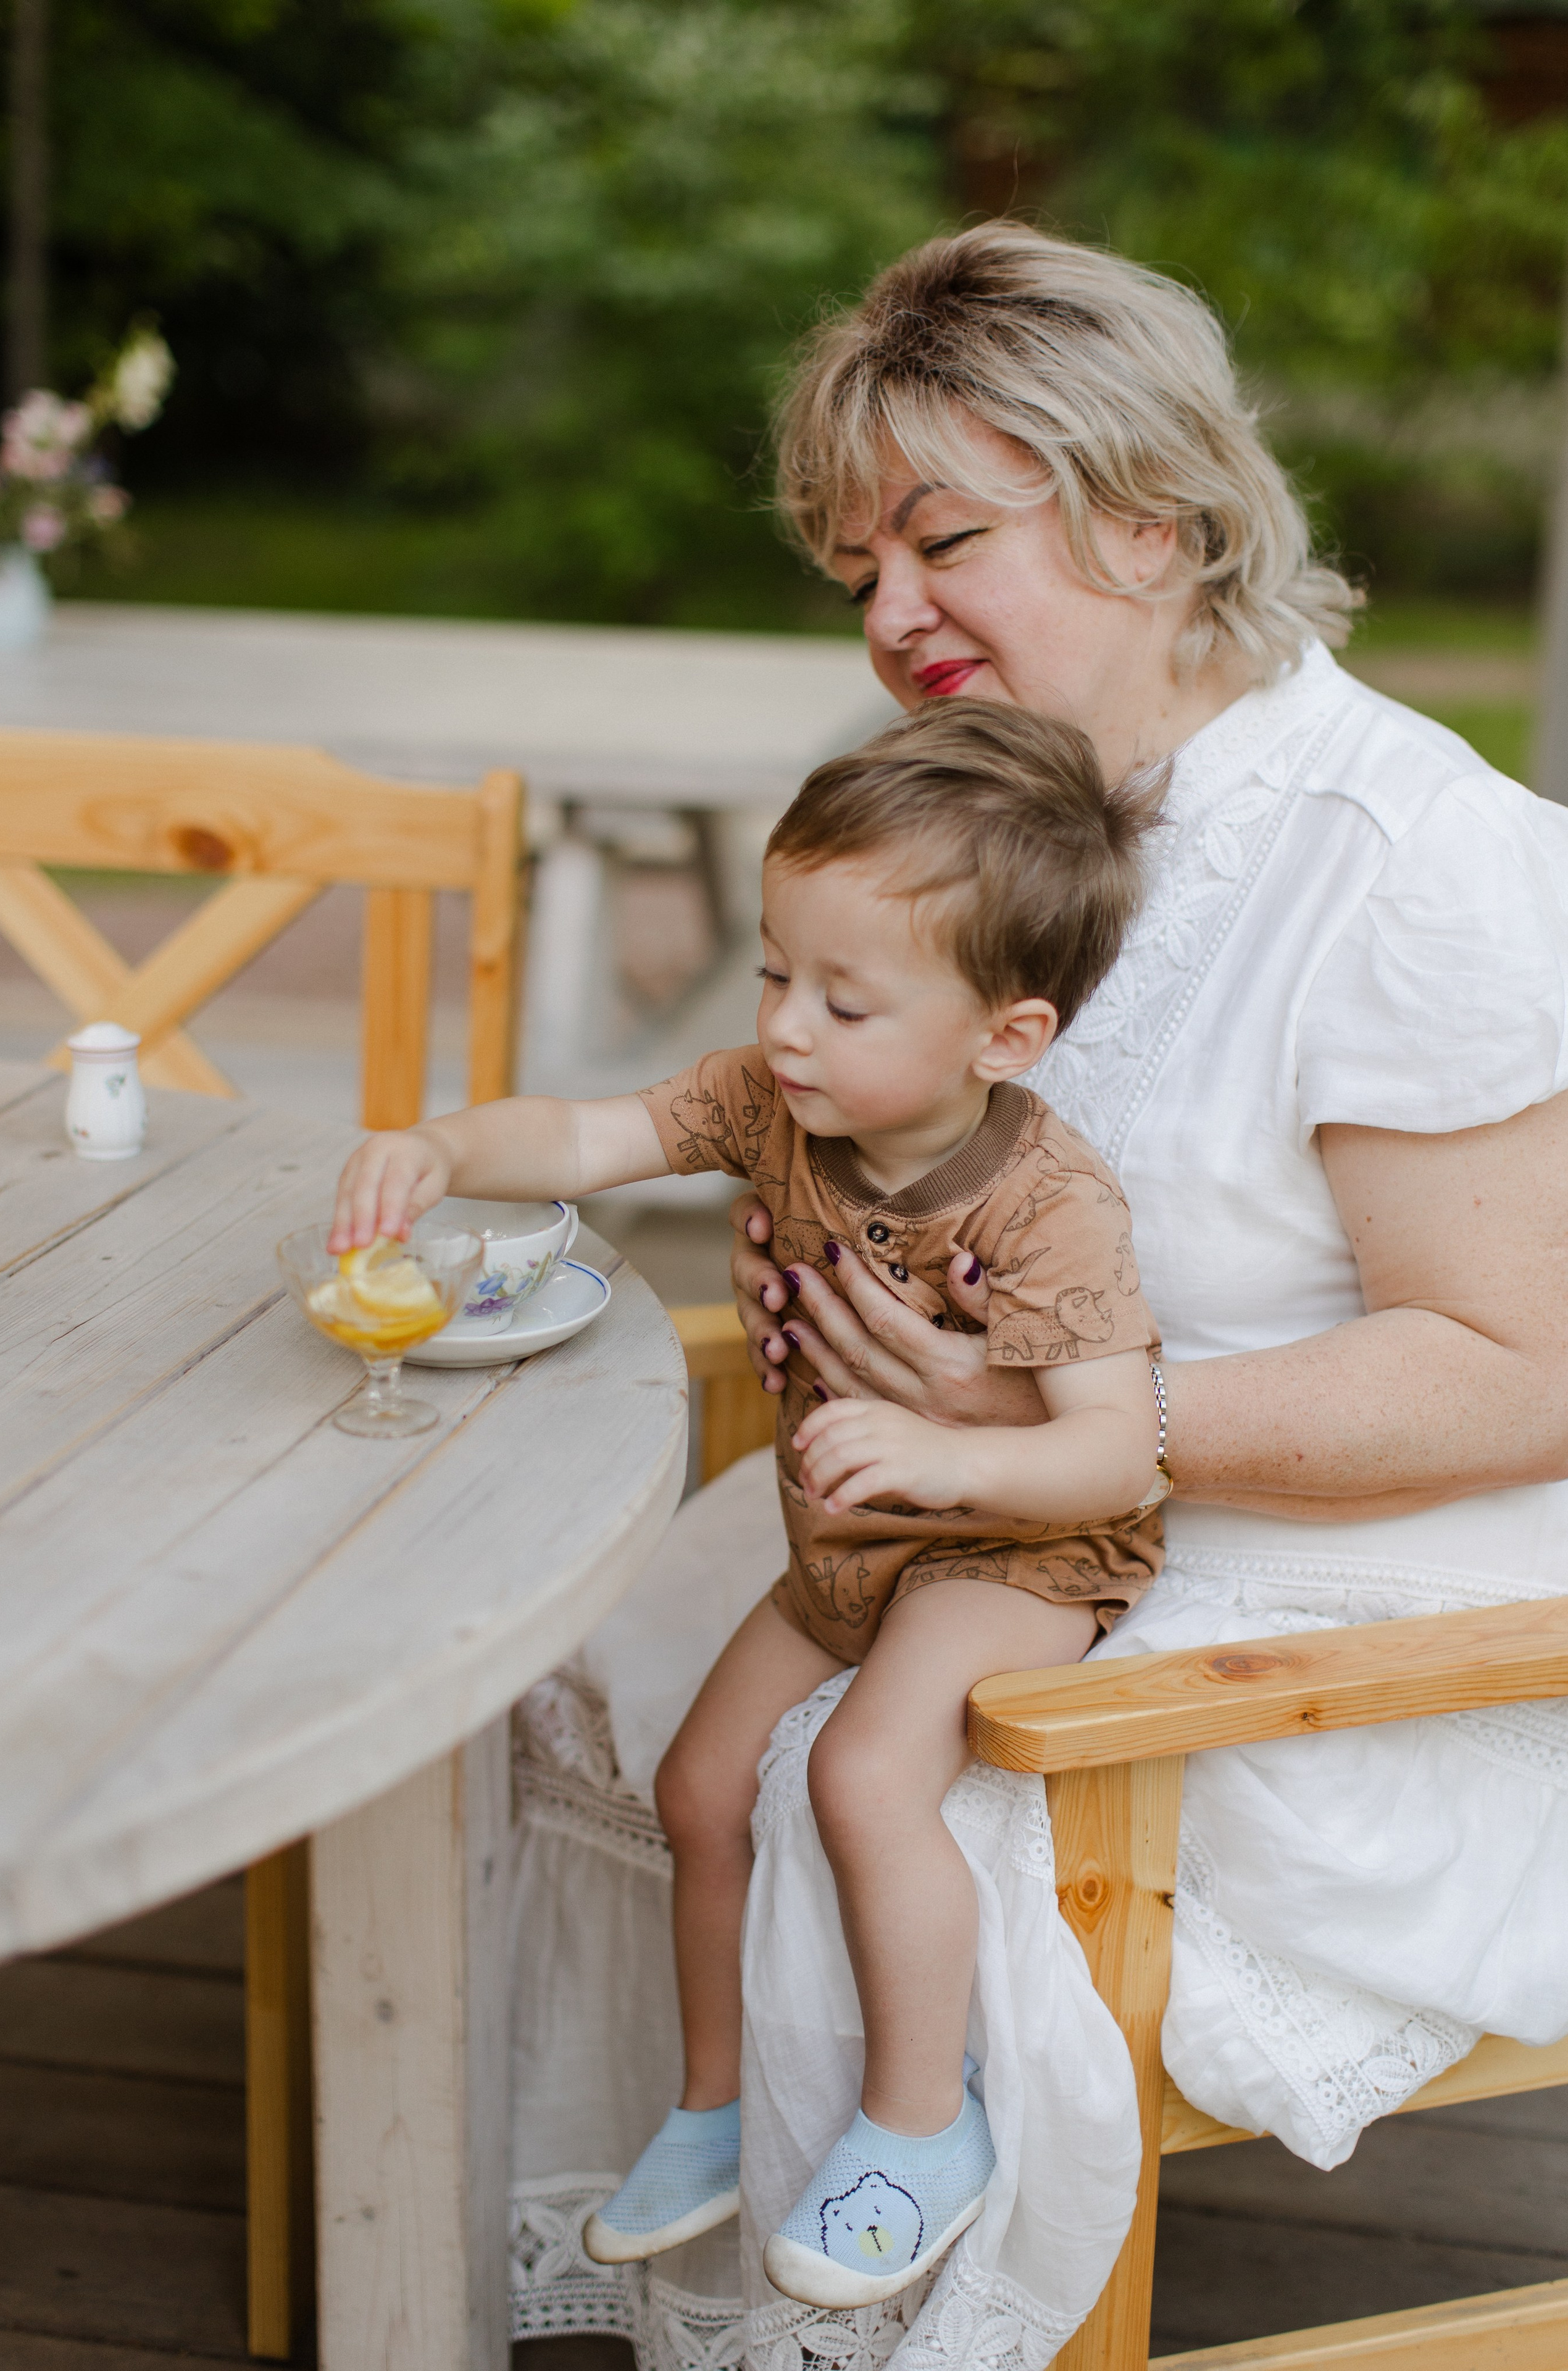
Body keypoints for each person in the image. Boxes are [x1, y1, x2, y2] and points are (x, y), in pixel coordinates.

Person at [508, 220, 1568, 2371]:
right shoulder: (1014, 824)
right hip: (964, 1510)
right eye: (856, 572)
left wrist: (1071, 1434)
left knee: (859, 1777)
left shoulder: (1407, 859)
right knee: (531, 1637)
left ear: (1159, 516)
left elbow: (1522, 1368)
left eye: (946, 544)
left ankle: (909, 2224)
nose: (893, 620)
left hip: (1334, 1586)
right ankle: (694, 2156)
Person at [329, 698, 1170, 2309]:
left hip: (1020, 1549)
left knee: (862, 1776)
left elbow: (1117, 1453)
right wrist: (441, 1145)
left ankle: (924, 2128)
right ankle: (713, 2109)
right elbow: (589, 1130)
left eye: (845, 1000)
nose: (787, 1026)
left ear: (1007, 1037)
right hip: (843, 1543)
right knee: (702, 1781)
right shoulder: (776, 1102)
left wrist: (949, 1459)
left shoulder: (1049, 1203)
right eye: (779, 973)